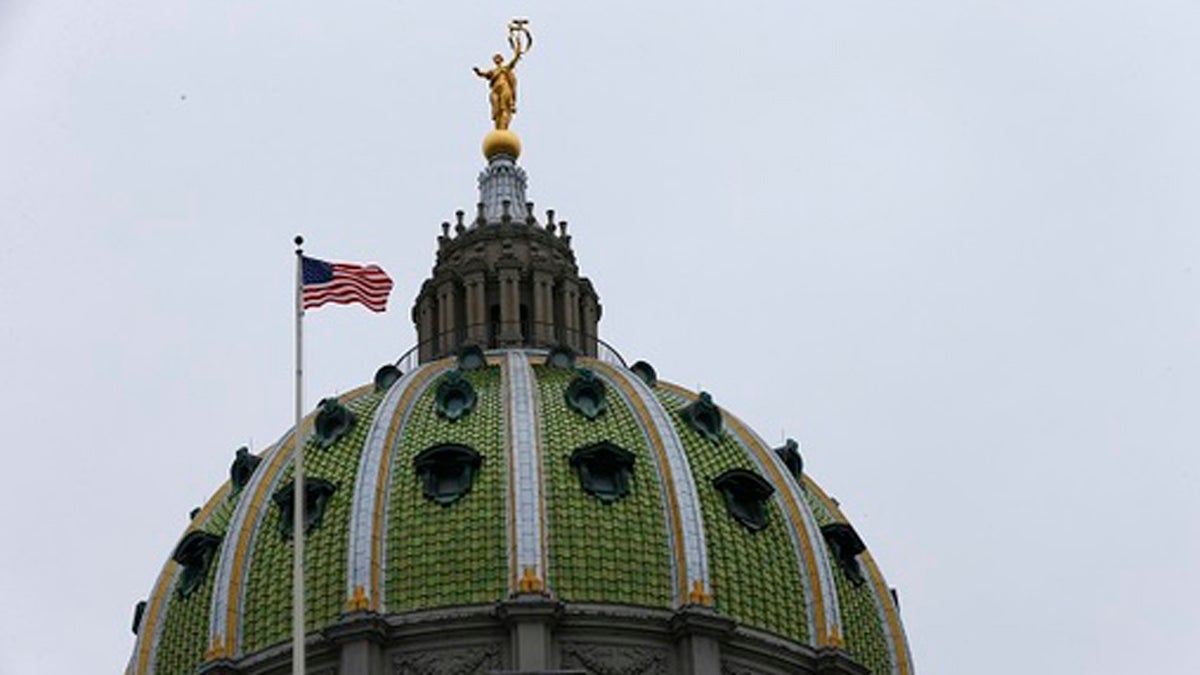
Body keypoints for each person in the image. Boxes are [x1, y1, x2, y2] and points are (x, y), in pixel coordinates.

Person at [473, 50, 521, 130]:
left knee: (504, 107)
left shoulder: (505, 69)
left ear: (501, 59)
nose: (496, 59)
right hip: (495, 89)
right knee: (496, 109)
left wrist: (517, 54)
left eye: (498, 57)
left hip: (504, 88)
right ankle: (498, 126)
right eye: (495, 58)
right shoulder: (493, 71)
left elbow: (513, 62)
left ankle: (504, 126)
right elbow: (484, 74)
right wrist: (478, 72)